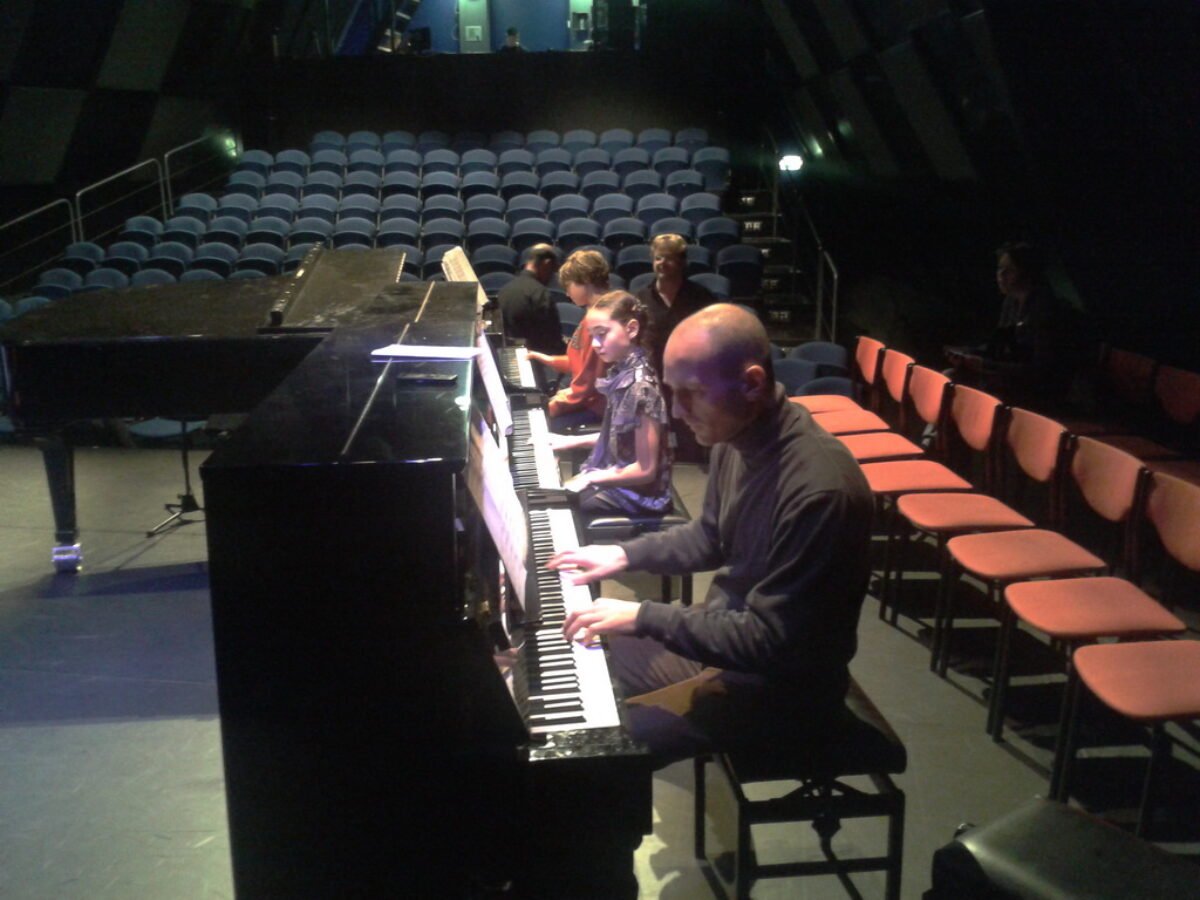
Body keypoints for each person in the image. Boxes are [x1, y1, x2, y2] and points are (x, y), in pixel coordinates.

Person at [547, 304, 874, 765]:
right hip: (728, 645)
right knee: (555, 660)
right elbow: (709, 537)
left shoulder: (821, 490)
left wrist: (644, 615)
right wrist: (621, 554)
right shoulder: (734, 438)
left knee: (589, 749)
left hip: (781, 691)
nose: (677, 412)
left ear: (752, 383)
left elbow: (771, 641)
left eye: (692, 394)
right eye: (671, 392)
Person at [547, 291, 672, 516]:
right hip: (621, 473)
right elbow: (618, 437)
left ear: (631, 329)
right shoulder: (623, 371)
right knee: (556, 494)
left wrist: (593, 477)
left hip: (641, 493)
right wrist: (568, 442)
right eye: (592, 336)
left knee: (561, 505)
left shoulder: (640, 387)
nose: (595, 344)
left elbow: (646, 470)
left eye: (602, 334)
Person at [945, 241, 1070, 404]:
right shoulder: (1011, 302)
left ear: (1027, 273)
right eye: (1000, 268)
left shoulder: (1047, 311)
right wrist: (968, 354)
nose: (1001, 275)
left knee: (962, 385)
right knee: (949, 376)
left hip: (1034, 388)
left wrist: (986, 365)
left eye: (1009, 270)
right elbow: (1000, 345)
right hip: (1007, 377)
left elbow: (1040, 370)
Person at [525, 249, 609, 431]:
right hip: (589, 398)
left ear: (585, 280)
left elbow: (588, 385)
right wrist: (547, 359)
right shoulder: (594, 312)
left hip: (600, 406)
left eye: (568, 286)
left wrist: (553, 407)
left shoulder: (599, 319)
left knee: (534, 425)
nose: (567, 294)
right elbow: (580, 363)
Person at [635, 233, 718, 377]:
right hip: (653, 376)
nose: (662, 263)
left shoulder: (701, 297)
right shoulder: (641, 298)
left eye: (669, 258)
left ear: (682, 262)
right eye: (658, 258)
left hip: (692, 374)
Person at [497, 244, 564, 358]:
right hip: (537, 359)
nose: (551, 277)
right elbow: (552, 340)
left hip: (508, 355)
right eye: (552, 271)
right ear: (547, 264)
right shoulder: (540, 294)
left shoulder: (504, 290)